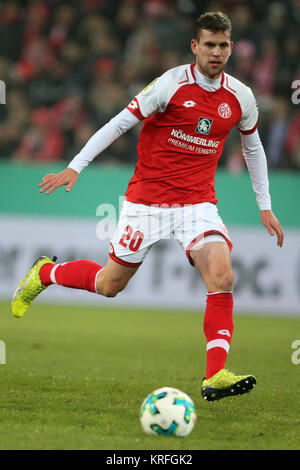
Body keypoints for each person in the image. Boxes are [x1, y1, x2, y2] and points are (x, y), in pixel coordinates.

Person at [11, 12, 284, 402]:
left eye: (223, 45)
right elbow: (120, 123)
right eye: (209, 44)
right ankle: (46, 272)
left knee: (222, 277)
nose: (217, 52)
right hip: (147, 202)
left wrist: (265, 205)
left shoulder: (240, 97)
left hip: (198, 204)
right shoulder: (171, 84)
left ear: (231, 47)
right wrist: (75, 166)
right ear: (195, 46)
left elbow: (252, 147)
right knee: (109, 285)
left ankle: (215, 374)